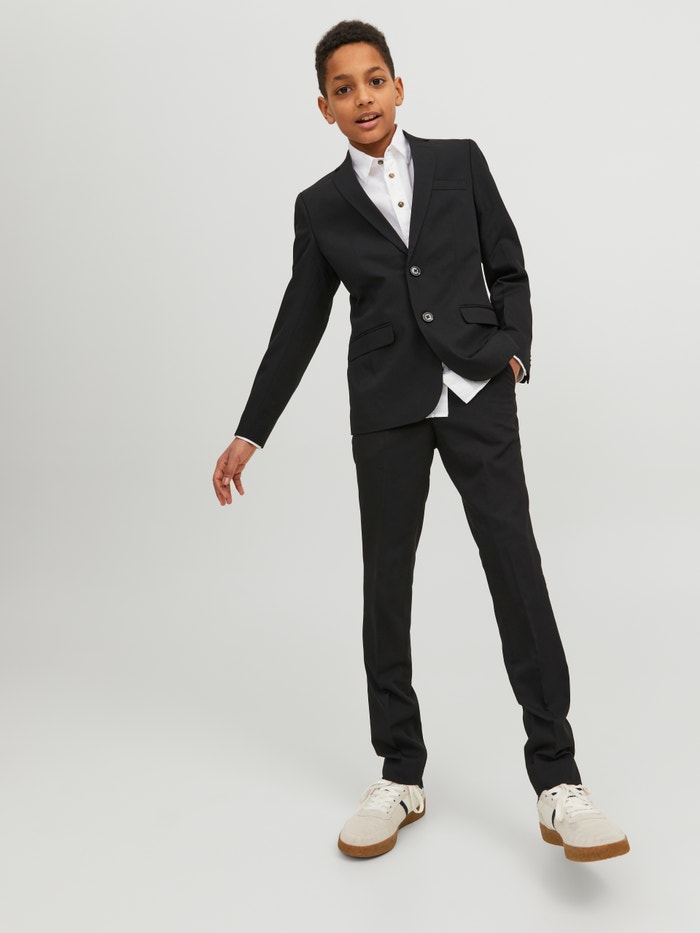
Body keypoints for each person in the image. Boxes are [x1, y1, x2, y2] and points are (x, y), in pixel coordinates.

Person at [212, 20, 629, 863]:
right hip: (388, 408)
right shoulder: (321, 207)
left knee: (516, 567)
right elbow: (298, 322)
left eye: (374, 80)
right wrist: (251, 429)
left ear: (398, 87)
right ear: (324, 108)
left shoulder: (459, 163)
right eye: (343, 88)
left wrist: (513, 351)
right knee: (387, 583)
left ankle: (559, 779)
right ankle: (400, 771)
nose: (362, 97)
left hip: (477, 390)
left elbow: (508, 265)